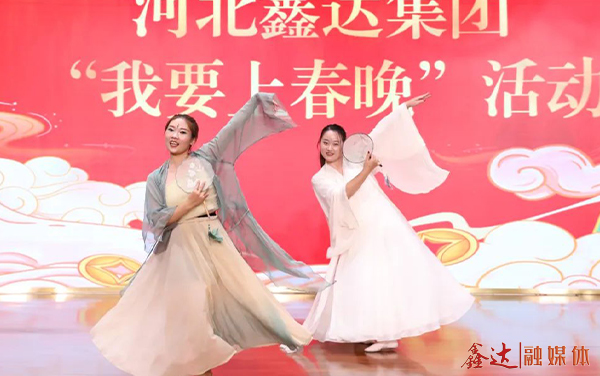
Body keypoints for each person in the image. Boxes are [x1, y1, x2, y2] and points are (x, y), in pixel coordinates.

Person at [92, 93, 323, 376]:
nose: (174, 136)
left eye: (182, 132)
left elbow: (233, 128)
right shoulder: (157, 178)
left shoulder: (207, 158)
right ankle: (197, 367)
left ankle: (282, 335)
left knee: (247, 295)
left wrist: (255, 103)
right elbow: (156, 220)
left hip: (213, 241)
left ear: (193, 140)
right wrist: (188, 204)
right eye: (171, 129)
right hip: (180, 247)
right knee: (191, 307)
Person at [303, 93, 474, 353]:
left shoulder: (353, 159)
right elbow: (342, 195)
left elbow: (378, 134)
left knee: (385, 278)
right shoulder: (320, 178)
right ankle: (372, 330)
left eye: (335, 143)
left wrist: (402, 110)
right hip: (355, 233)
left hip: (381, 223)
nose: (330, 148)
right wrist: (366, 170)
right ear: (319, 145)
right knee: (363, 282)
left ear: (343, 145)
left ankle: (386, 334)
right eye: (325, 143)